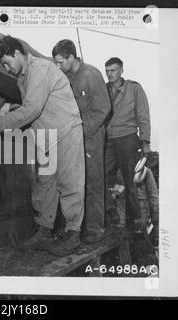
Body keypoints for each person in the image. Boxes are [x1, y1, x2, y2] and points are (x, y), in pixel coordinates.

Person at [0, 36, 85, 255]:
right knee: (44, 184)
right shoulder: (23, 78)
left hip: (66, 130)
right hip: (47, 135)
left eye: (6, 62)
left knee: (70, 183)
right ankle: (44, 232)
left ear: (17, 54)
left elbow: (31, 110)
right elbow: (33, 111)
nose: (6, 68)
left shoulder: (40, 69)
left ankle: (72, 233)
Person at [52, 40, 111, 244]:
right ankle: (75, 227)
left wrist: (83, 131)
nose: (57, 66)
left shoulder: (91, 74)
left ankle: (95, 229)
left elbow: (103, 108)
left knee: (93, 181)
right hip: (72, 138)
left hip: (90, 137)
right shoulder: (66, 78)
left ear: (71, 57)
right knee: (74, 182)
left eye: (60, 62)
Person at [104, 57, 151, 231]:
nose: (110, 74)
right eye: (107, 70)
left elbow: (143, 115)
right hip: (108, 140)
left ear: (122, 70)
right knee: (100, 175)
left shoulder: (134, 88)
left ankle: (136, 222)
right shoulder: (104, 89)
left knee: (130, 182)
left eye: (113, 70)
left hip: (128, 139)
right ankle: (111, 216)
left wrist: (145, 142)